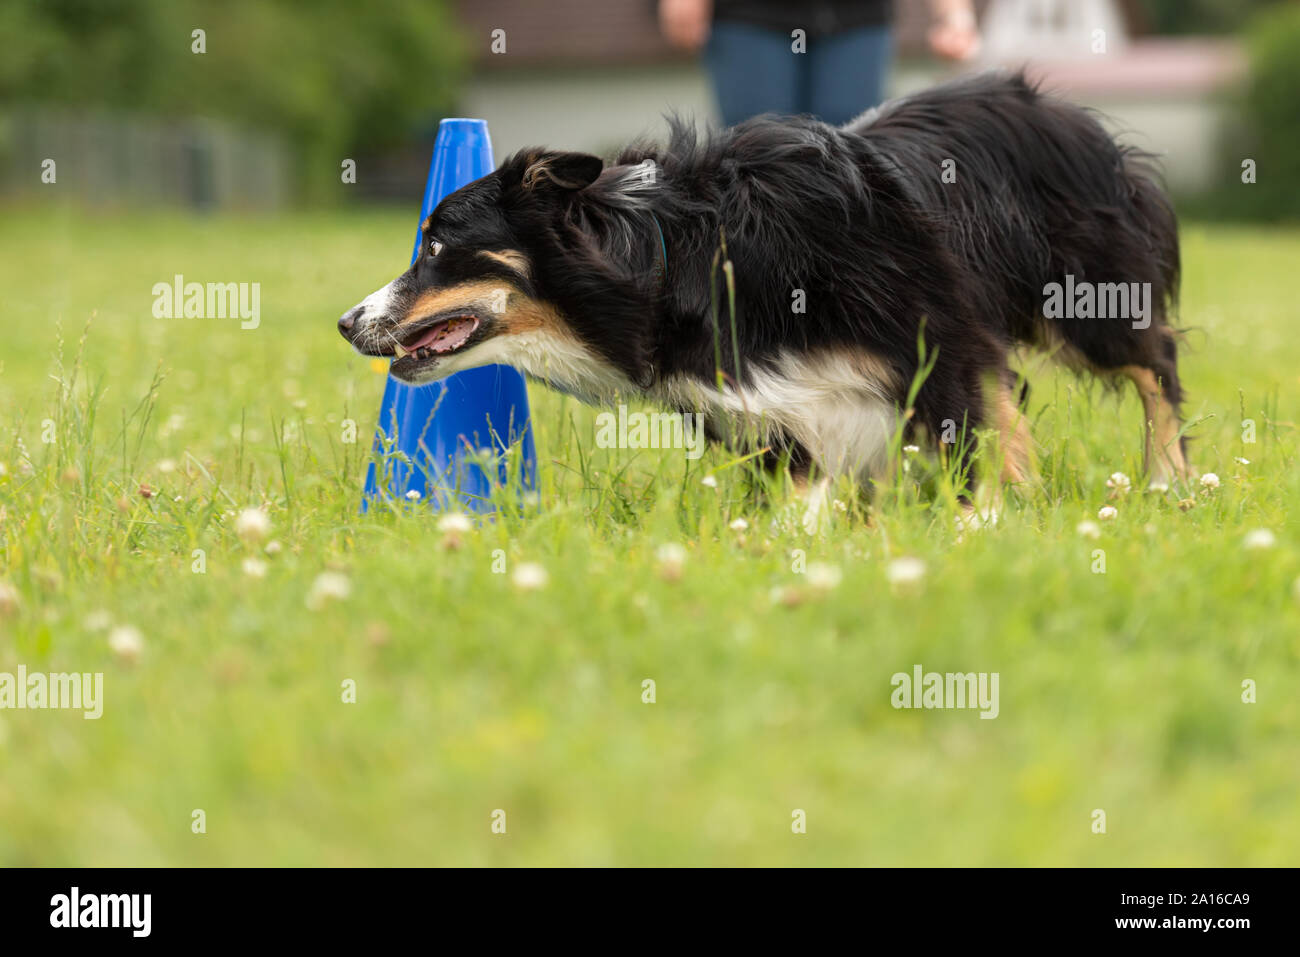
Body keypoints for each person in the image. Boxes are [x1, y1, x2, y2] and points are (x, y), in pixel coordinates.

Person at [659, 0, 981, 127]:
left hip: (857, 19)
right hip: (750, 17)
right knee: (757, 152)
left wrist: (953, 15)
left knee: (852, 156)